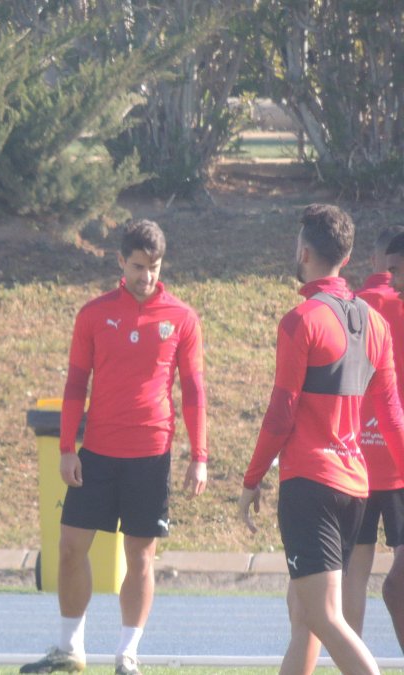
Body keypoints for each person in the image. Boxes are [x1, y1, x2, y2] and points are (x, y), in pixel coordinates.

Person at [21, 220, 208, 675]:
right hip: (98, 452)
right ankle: (70, 649)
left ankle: (127, 654)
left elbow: (195, 391)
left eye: (154, 267)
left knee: (140, 556)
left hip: (151, 453)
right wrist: (68, 447)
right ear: (121, 261)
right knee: (69, 546)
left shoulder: (181, 317)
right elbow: (74, 384)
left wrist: (199, 456)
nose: (146, 276)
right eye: (138, 266)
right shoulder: (93, 313)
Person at [240, 204, 404, 675]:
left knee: (322, 616)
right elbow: (392, 417)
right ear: (348, 257)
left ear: (305, 251)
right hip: (354, 487)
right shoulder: (374, 324)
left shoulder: (301, 321)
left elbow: (280, 414)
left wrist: (251, 480)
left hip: (310, 484)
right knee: (304, 617)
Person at [345, 225, 404, 647]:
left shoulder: (351, 307)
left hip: (357, 455)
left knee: (355, 568)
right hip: (398, 455)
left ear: (373, 262)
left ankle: (354, 659)